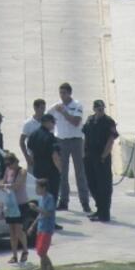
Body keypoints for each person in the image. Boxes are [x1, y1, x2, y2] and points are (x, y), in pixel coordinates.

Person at [49, 82, 90, 212]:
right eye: (60, 93)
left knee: (80, 172)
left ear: (69, 93)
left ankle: (85, 202)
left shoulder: (76, 105)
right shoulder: (56, 107)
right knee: (62, 172)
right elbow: (46, 118)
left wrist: (64, 112)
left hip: (76, 141)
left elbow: (76, 121)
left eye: (64, 93)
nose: (62, 95)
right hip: (61, 141)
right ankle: (64, 201)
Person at [83, 99, 118, 222]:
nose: (101, 111)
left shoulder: (109, 122)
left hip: (102, 157)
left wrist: (104, 156)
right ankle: (99, 209)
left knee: (104, 185)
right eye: (98, 109)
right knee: (92, 183)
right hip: (89, 156)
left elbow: (111, 140)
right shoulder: (90, 120)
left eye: (102, 109)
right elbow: (85, 137)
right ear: (94, 109)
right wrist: (84, 153)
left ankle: (104, 213)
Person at [0, 151, 30, 264]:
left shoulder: (22, 171)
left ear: (15, 162)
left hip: (20, 203)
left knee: (19, 230)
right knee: (12, 231)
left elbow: (17, 186)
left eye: (10, 164)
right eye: (7, 164)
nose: (9, 166)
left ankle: (25, 250)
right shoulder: (8, 171)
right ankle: (14, 255)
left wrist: (3, 186)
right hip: (10, 204)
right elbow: (4, 182)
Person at [25, 113, 62, 203]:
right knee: (51, 194)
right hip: (50, 171)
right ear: (47, 122)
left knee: (40, 193)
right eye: (53, 122)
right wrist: (60, 169)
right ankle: (49, 214)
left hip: (38, 168)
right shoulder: (50, 137)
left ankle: (41, 211)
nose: (54, 124)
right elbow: (55, 156)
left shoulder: (33, 135)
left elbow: (31, 151)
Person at [27, 177, 57, 270]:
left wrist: (35, 208)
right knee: (40, 252)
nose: (36, 189)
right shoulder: (41, 199)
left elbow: (48, 213)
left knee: (41, 251)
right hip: (40, 227)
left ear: (43, 188)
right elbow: (40, 214)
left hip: (47, 228)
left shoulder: (50, 198)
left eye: (37, 187)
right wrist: (32, 226)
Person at [19, 98, 47, 166]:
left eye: (44, 108)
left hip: (47, 156)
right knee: (33, 176)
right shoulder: (28, 124)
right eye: (41, 108)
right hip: (33, 157)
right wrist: (27, 157)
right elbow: (22, 141)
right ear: (35, 108)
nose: (43, 110)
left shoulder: (48, 122)